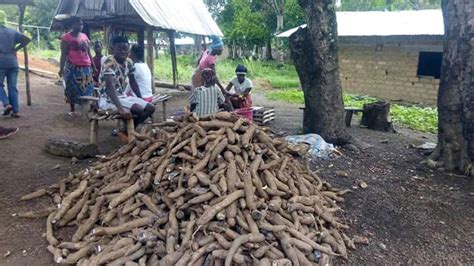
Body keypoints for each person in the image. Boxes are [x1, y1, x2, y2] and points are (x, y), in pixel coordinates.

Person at [99, 36, 155, 134]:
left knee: (150, 108)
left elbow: (133, 82)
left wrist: (141, 98)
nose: (123, 52)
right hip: (108, 99)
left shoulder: (129, 62)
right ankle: (127, 131)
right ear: (112, 49)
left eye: (125, 49)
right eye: (119, 49)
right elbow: (109, 88)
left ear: (129, 49)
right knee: (138, 109)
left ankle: (125, 130)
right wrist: (120, 109)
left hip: (122, 96)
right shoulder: (109, 62)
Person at [59, 17, 96, 117]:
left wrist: (94, 66)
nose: (80, 26)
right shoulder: (66, 38)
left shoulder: (84, 36)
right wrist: (61, 68)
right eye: (78, 24)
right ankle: (72, 108)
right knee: (72, 87)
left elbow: (89, 53)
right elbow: (63, 54)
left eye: (81, 24)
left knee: (87, 88)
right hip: (72, 66)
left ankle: (85, 109)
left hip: (86, 66)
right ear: (72, 25)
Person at [0, 10, 31, 118]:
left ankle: (6, 103)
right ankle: (16, 111)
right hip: (13, 62)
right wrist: (16, 49)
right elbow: (27, 39)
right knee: (12, 87)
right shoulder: (12, 31)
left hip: (1, 62)